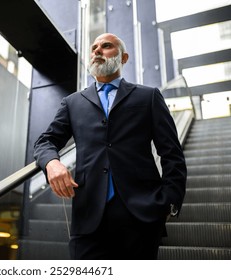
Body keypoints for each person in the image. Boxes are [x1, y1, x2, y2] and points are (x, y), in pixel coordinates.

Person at [33, 33, 187, 260]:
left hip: (141, 215)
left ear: (123, 58)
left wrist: (169, 201)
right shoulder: (73, 102)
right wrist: (52, 163)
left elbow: (171, 154)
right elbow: (45, 141)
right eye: (94, 47)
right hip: (87, 217)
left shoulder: (148, 96)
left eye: (106, 46)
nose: (97, 51)